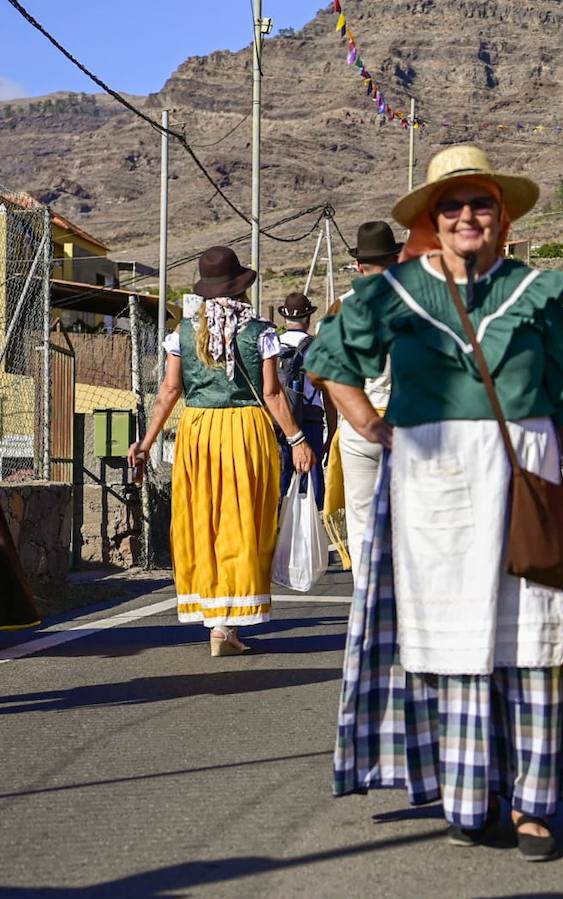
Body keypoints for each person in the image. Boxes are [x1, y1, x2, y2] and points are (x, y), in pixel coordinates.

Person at [307, 145, 563, 858]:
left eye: (480, 203)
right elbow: (330, 362)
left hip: (527, 480)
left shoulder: (541, 294)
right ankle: (471, 795)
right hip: (435, 491)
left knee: (531, 643)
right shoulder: (391, 293)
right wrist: (370, 424)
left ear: (502, 213)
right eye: (450, 205)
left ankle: (532, 807)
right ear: (431, 218)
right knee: (455, 645)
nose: (466, 216)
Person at [127, 246, 316, 656]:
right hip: (245, 431)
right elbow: (271, 392)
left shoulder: (183, 334)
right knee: (242, 519)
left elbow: (169, 391)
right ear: (241, 288)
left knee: (202, 520)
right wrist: (298, 439)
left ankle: (216, 623)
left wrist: (145, 441)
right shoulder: (260, 333)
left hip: (197, 430)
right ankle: (229, 621)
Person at [323, 220, 403, 572]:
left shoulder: (341, 307)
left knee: (361, 517)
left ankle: (367, 596)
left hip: (358, 423)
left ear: (359, 265)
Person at [277, 292, 326, 507]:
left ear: (285, 319)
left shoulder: (274, 344)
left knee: (283, 472)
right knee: (312, 474)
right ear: (308, 319)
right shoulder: (316, 347)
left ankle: (279, 520)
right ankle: (313, 521)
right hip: (310, 417)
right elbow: (327, 388)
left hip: (281, 418)